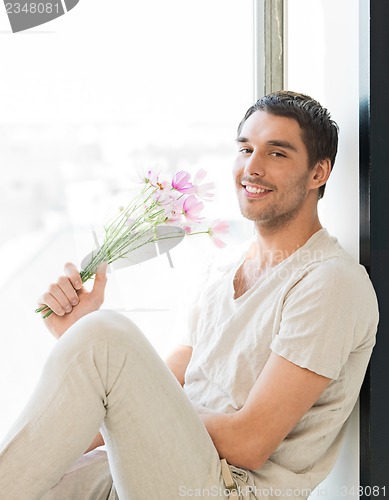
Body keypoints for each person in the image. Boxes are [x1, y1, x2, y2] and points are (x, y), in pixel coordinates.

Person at [0, 91, 379, 500]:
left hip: (227, 488)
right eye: (246, 148)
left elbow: (249, 443)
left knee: (107, 336)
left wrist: (129, 398)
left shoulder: (329, 281)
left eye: (277, 154)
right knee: (39, 476)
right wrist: (78, 342)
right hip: (160, 469)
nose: (251, 167)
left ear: (318, 172)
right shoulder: (220, 272)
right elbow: (148, 393)